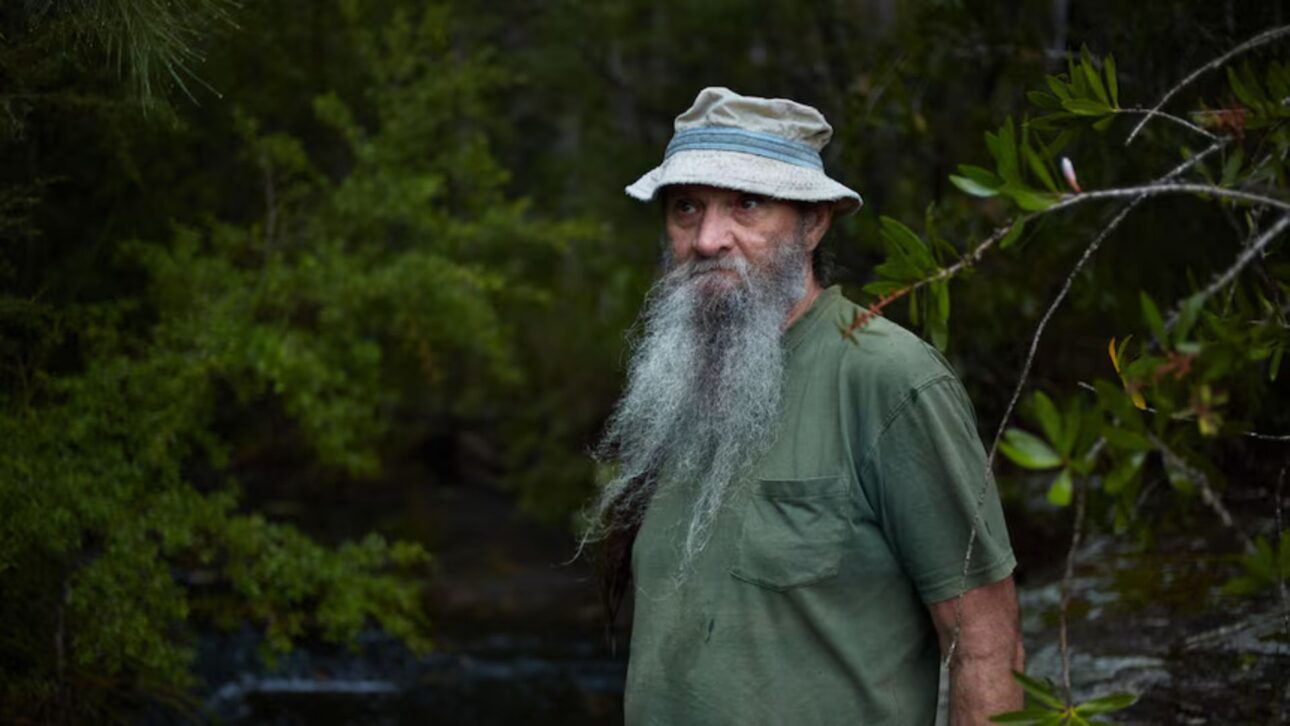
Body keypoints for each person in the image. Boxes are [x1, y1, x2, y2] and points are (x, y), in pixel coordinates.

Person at [590, 87, 1023, 725]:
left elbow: (986, 648)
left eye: (747, 204)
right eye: (686, 207)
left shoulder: (889, 379)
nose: (708, 238)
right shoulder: (675, 383)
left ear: (813, 222)